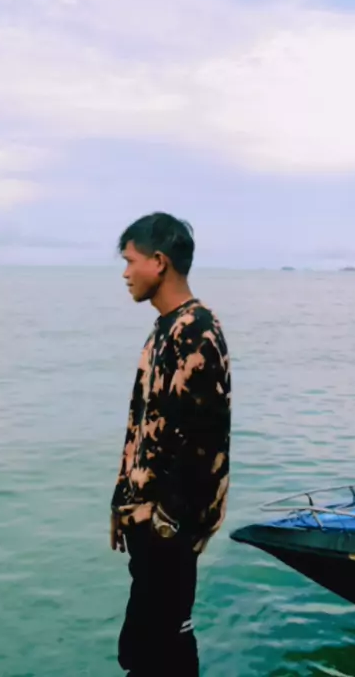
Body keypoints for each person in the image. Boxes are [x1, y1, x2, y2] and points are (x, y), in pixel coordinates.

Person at [110, 212, 231, 677]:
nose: (126, 273)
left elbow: (203, 440)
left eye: (130, 261)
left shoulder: (197, 330)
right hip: (147, 520)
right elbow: (141, 426)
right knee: (141, 649)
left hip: (168, 527)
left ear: (159, 262)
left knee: (167, 646)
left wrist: (168, 524)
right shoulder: (164, 329)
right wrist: (121, 501)